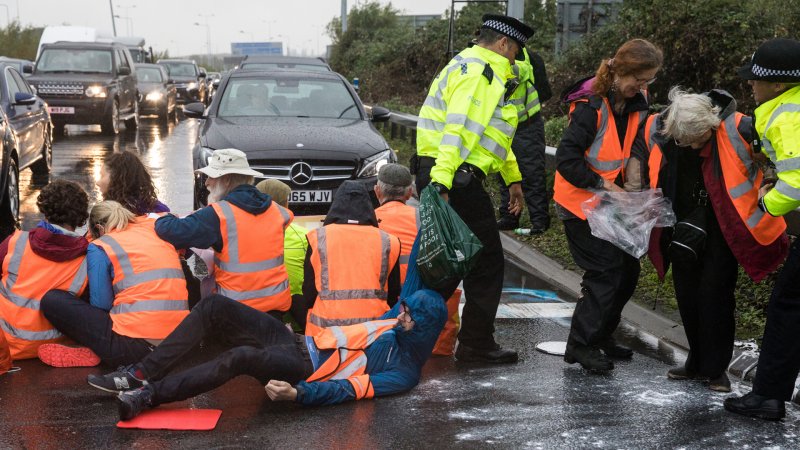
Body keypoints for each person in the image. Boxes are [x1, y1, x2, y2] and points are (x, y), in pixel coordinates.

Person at [85, 289, 446, 420]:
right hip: (299, 341)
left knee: (240, 356)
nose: (400, 316)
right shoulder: (395, 324)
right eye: (404, 310)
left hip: (302, 370)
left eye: (409, 315)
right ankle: (140, 373)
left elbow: (348, 390)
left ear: (424, 327)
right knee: (214, 306)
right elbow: (415, 279)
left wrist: (299, 394)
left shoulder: (403, 372)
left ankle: (147, 396)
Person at [639, 87, 788, 392]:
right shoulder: (667, 130)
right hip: (681, 224)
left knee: (716, 295)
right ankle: (695, 360)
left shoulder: (742, 127)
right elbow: (647, 158)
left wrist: (771, 181)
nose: (690, 147)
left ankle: (715, 369)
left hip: (724, 226)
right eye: (683, 141)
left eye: (696, 140)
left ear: (711, 125)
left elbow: (775, 157)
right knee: (686, 294)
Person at [414, 14, 534, 364]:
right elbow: (459, 129)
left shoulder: (464, 63)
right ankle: (475, 344)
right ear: (503, 44)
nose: (515, 60)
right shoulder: (484, 73)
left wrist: (512, 177)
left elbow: (489, 135)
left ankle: (413, 330)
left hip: (449, 171)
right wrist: (443, 181)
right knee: (483, 262)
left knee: (447, 261)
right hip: (454, 175)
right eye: (515, 52)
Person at [553, 38, 663, 372]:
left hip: (608, 203)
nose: (642, 88)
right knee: (606, 271)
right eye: (638, 80)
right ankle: (580, 345)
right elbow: (566, 160)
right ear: (621, 71)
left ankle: (600, 335)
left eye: (648, 82)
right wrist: (606, 185)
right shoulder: (590, 106)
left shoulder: (636, 100)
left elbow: (634, 145)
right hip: (578, 202)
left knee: (628, 270)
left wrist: (631, 183)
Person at [724, 38, 800, 421]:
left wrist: (768, 202)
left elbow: (798, 181)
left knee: (788, 308)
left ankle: (768, 396)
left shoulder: (788, 114)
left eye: (756, 79)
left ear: (779, 83)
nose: (750, 85)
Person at [39, 201, 189, 367]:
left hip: (135, 348)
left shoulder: (101, 245)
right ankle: (99, 351)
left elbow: (101, 304)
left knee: (52, 300)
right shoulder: (154, 228)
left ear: (99, 229)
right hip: (179, 344)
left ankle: (96, 351)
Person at [154, 148, 293, 316]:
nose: (206, 183)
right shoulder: (277, 211)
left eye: (211, 177)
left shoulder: (218, 215)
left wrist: (164, 216)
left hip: (236, 314)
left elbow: (170, 230)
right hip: (275, 310)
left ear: (226, 180)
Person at [0, 180, 90, 361]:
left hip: (5, 341)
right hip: (52, 343)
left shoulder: (15, 242)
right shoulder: (87, 258)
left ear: (45, 208)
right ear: (80, 216)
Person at [304, 180, 401, 337]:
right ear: (369, 206)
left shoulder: (318, 237)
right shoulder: (389, 241)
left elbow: (308, 293)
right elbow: (393, 292)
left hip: (325, 331)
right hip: (373, 330)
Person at [496, 48, 553, 233]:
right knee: (504, 170)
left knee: (532, 172)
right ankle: (510, 217)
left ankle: (539, 221)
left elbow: (543, 91)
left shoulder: (532, 59)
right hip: (504, 125)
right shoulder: (529, 58)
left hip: (526, 125)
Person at [255, 178, 309, 331]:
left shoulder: (243, 233)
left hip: (253, 317)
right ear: (286, 205)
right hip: (296, 322)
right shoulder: (303, 236)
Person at [374, 164, 417, 284]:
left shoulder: (369, 219)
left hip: (381, 290)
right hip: (414, 292)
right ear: (409, 193)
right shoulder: (423, 217)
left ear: (377, 191)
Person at [97, 151, 170, 216]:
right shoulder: (160, 209)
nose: (97, 183)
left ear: (117, 178)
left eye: (102, 175)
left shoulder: (108, 215)